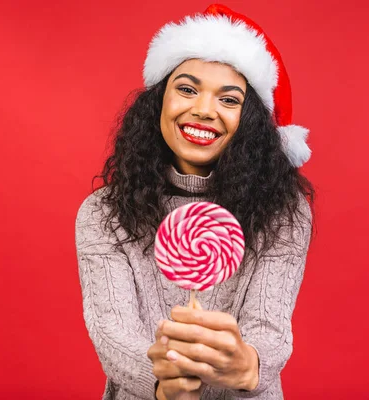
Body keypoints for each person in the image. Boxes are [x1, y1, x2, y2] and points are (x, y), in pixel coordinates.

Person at [75, 4, 315, 399]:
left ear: (251, 120)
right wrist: (161, 379)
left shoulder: (283, 213)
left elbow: (268, 328)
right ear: (158, 103)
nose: (203, 110)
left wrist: (246, 364)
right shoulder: (103, 212)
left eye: (229, 99)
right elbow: (112, 332)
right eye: (187, 89)